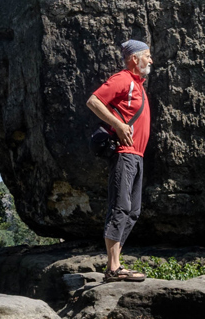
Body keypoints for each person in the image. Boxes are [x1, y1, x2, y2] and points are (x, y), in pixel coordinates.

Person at [86, 40, 154, 282]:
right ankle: (113, 268)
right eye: (147, 55)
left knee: (133, 211)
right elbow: (93, 101)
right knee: (121, 207)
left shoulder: (138, 85)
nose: (151, 60)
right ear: (134, 59)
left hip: (137, 155)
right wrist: (118, 124)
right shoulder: (123, 79)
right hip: (124, 153)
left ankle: (115, 264)